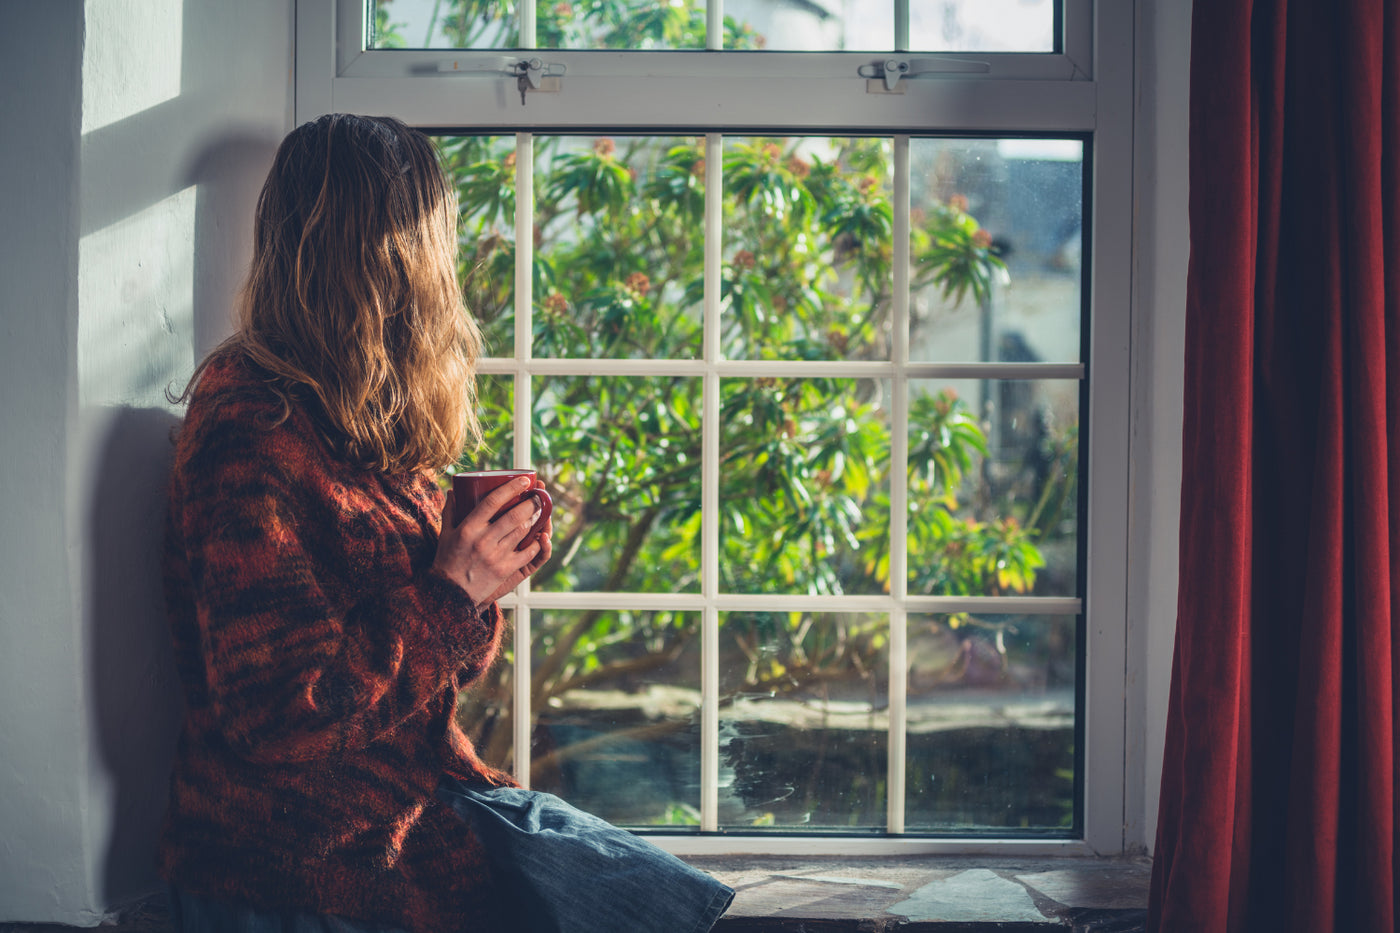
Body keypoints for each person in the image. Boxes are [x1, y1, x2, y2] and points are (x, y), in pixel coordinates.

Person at [159, 114, 733, 933]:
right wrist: (449, 591)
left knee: (666, 903)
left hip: (400, 825)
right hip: (293, 870)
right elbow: (278, 714)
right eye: (436, 232)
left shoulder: (360, 419)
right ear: (395, 248)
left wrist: (476, 581)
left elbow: (431, 672)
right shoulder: (253, 425)